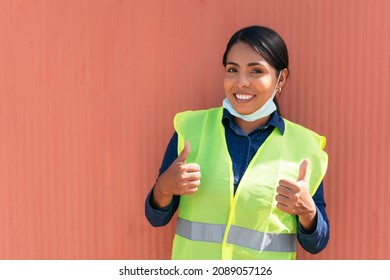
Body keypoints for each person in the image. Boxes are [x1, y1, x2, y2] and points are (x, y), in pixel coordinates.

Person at [145, 25, 329, 260]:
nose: (241, 82)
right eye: (232, 69)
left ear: (281, 78)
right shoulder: (191, 130)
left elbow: (317, 243)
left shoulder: (305, 147)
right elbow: (156, 217)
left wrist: (307, 210)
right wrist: (163, 188)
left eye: (256, 71)